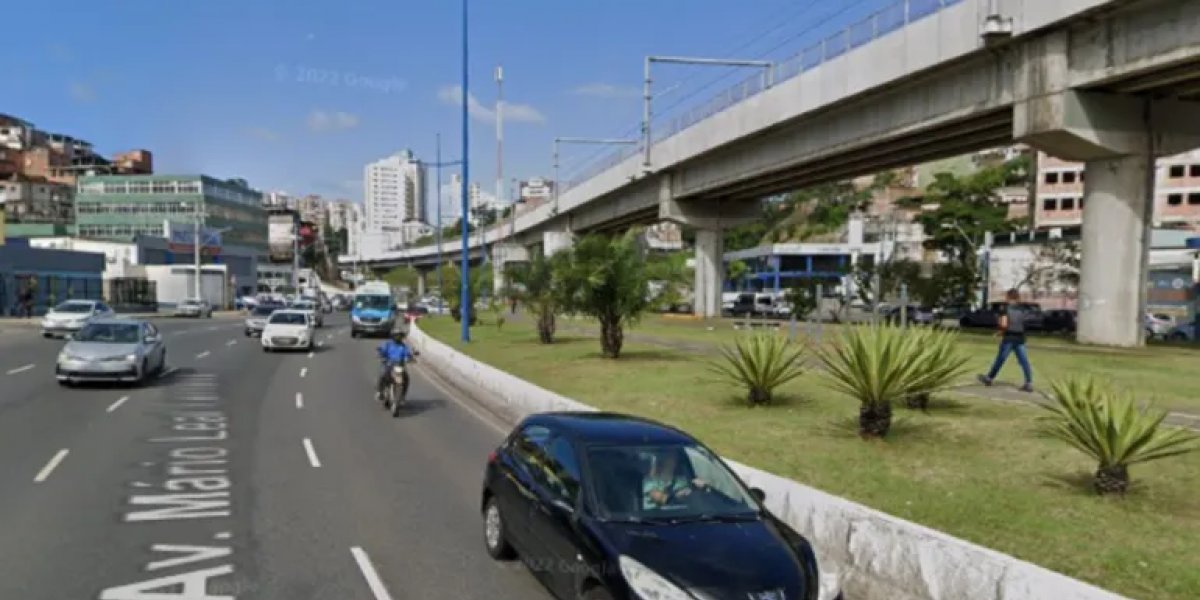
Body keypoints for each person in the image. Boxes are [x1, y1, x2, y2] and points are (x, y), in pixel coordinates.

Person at [977, 289, 1033, 393]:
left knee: (1000, 359)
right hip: (1020, 338)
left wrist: (1000, 332)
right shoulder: (1023, 309)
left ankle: (989, 378)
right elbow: (1025, 323)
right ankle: (1029, 383)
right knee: (1024, 361)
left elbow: (1003, 324)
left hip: (1009, 337)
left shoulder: (1005, 309)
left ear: (1008, 297)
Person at [642, 448, 708, 509]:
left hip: (681, 516)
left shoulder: (682, 481)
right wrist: (676, 496)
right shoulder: (649, 482)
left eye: (672, 457)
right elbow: (658, 497)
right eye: (665, 456)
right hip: (653, 517)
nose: (666, 460)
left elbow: (690, 494)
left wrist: (701, 488)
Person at [376, 330, 415, 401]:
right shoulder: (388, 344)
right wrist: (381, 354)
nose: (398, 337)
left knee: (406, 378)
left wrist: (410, 358)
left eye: (400, 336)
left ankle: (402, 396)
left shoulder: (404, 346)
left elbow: (408, 354)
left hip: (400, 366)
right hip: (389, 365)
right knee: (383, 375)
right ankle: (379, 391)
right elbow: (382, 351)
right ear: (393, 336)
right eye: (396, 335)